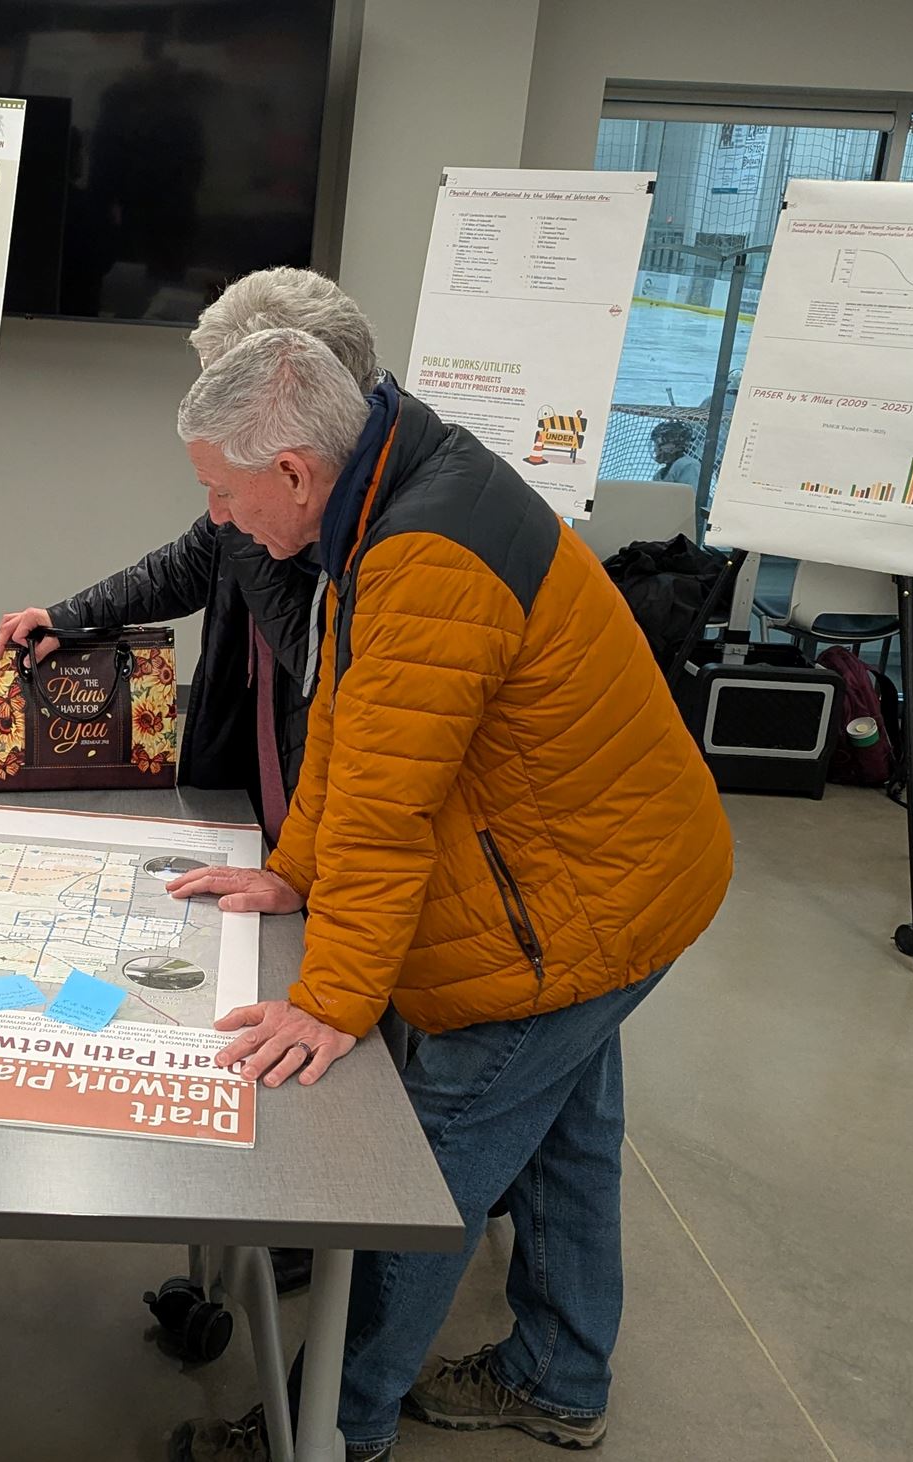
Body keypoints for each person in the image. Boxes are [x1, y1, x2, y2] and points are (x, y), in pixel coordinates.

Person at [162, 329, 735, 1461]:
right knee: (568, 1134)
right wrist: (295, 874)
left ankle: (332, 1426)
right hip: (623, 875)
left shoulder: (423, 552)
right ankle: (557, 1376)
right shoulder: (393, 486)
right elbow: (347, 723)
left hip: (573, 910)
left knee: (417, 1168)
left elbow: (386, 806)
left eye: (221, 494)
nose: (217, 519)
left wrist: (328, 1000)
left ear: (290, 472)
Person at [0, 268, 376, 834]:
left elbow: (332, 692)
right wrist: (68, 619)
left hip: (323, 823)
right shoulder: (262, 495)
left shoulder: (378, 528)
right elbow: (191, 561)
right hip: (252, 776)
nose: (219, 508)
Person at [649, 419, 700, 486]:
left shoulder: (689, 465)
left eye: (658, 443)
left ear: (674, 445)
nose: (655, 449)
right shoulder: (660, 474)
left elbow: (691, 494)